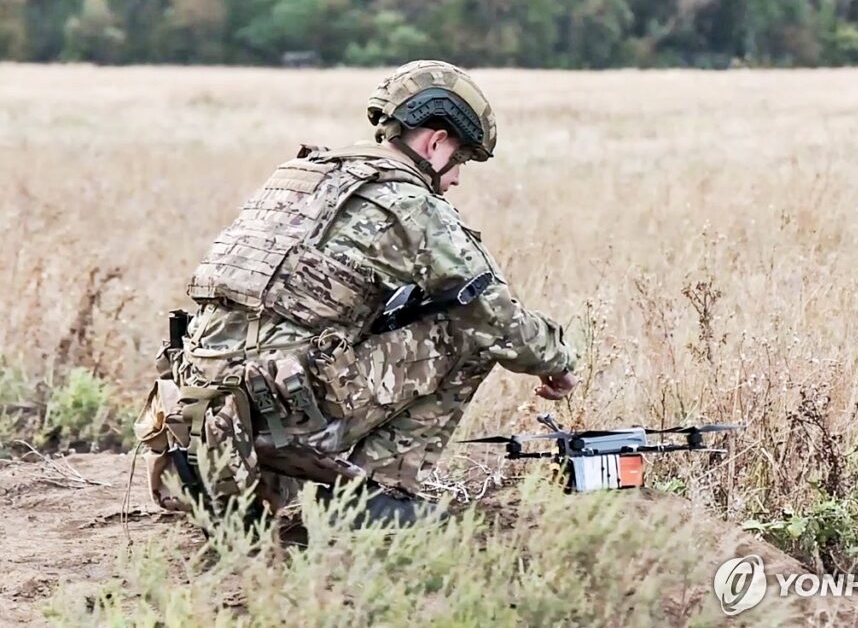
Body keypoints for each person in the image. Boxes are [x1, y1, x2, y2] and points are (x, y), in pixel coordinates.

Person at [136, 60, 577, 526]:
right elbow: (496, 317)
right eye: (461, 159)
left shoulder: (300, 176)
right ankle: (374, 500)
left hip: (200, 421)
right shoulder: (410, 202)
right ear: (435, 142)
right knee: (463, 328)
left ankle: (252, 492)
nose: (457, 178)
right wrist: (559, 363)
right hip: (284, 418)